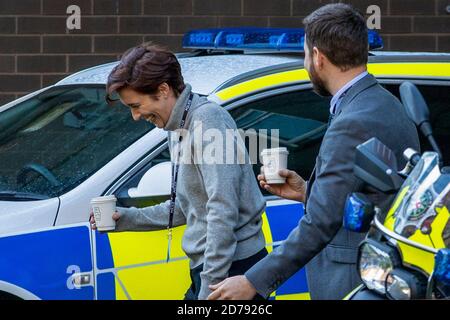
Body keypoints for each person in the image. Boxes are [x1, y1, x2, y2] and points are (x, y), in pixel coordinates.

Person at [208, 3, 420, 300]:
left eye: (306, 54)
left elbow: (320, 223)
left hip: (351, 281)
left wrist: (254, 281)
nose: (306, 63)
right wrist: (308, 192)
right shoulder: (382, 103)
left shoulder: (354, 121)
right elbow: (368, 196)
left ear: (318, 57)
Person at [90, 43, 267, 300]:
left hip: (234, 270)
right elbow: (187, 207)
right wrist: (126, 218)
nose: (135, 116)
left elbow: (222, 209)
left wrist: (210, 287)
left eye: (136, 105)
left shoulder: (208, 121)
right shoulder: (179, 126)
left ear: (163, 90)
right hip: (214, 268)